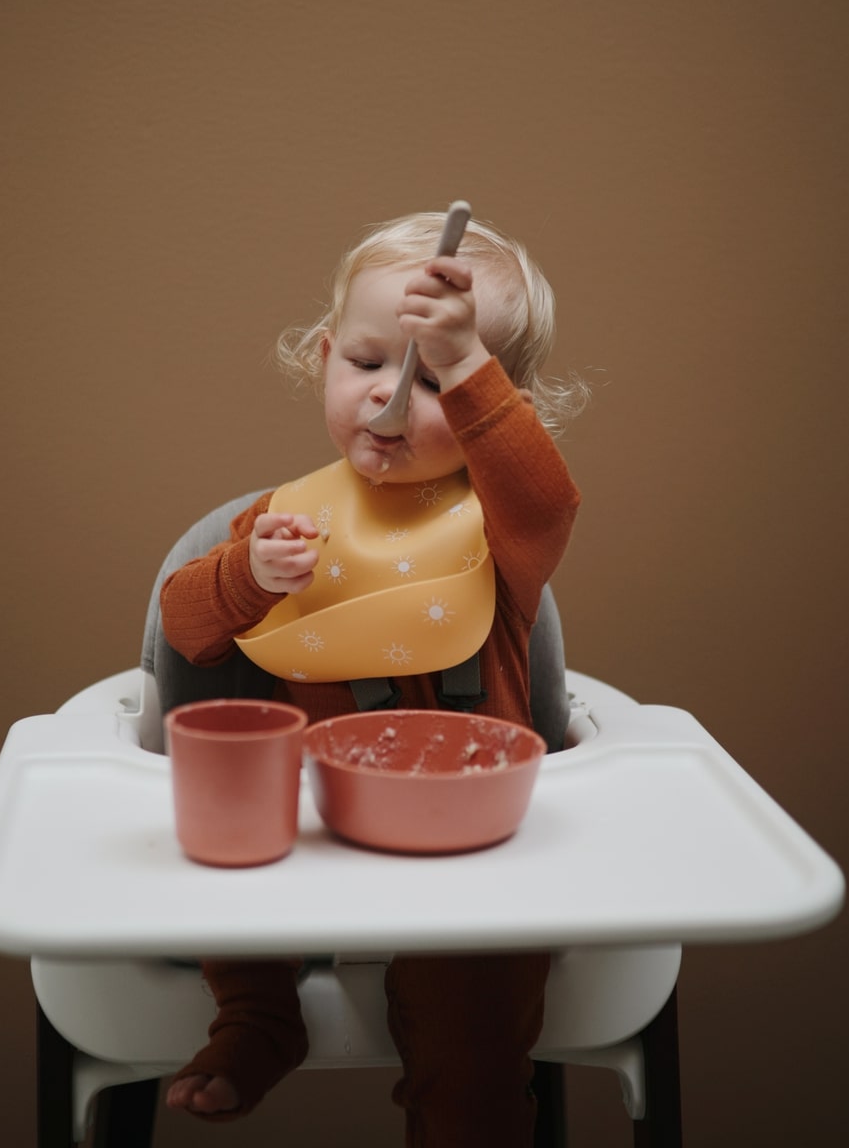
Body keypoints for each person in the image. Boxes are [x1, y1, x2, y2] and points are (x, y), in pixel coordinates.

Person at [159, 208, 587, 1146]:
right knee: (227, 855)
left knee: (477, 1024)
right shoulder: (281, 521)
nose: (389, 399)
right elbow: (183, 632)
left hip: (467, 846)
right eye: (365, 363)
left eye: (434, 380)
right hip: (314, 825)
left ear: (496, 404)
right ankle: (258, 1019)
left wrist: (467, 362)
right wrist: (247, 577)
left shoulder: (502, 532)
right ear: (325, 358)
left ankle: (468, 1116)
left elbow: (549, 500)